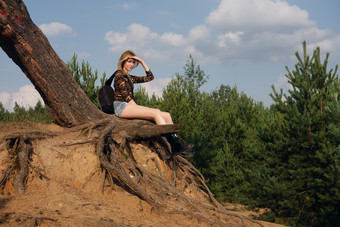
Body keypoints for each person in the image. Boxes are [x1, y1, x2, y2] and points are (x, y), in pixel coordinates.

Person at [113, 50, 193, 157]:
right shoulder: (119, 74)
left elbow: (150, 77)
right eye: (129, 62)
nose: (131, 64)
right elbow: (126, 96)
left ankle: (177, 144)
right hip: (122, 106)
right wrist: (139, 108)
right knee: (156, 113)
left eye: (133, 62)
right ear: (123, 62)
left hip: (129, 105)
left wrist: (142, 62)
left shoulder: (129, 77)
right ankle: (173, 145)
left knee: (166, 115)